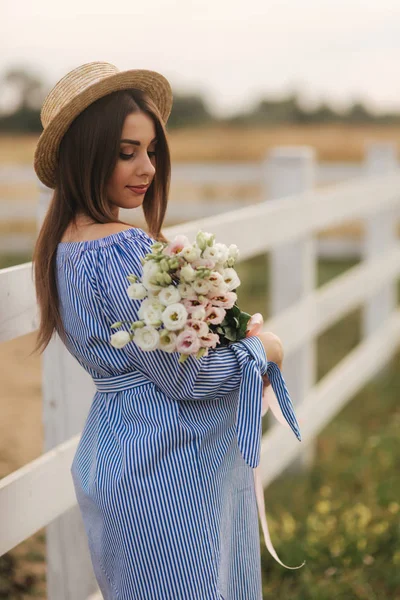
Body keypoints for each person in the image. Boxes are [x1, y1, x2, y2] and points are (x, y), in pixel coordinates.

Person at [32, 61, 303, 600]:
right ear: (87, 154)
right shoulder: (127, 251)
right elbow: (186, 378)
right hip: (166, 470)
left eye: (151, 151)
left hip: (117, 450)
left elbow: (148, 360)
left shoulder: (62, 247)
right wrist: (260, 350)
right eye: (126, 152)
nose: (148, 168)